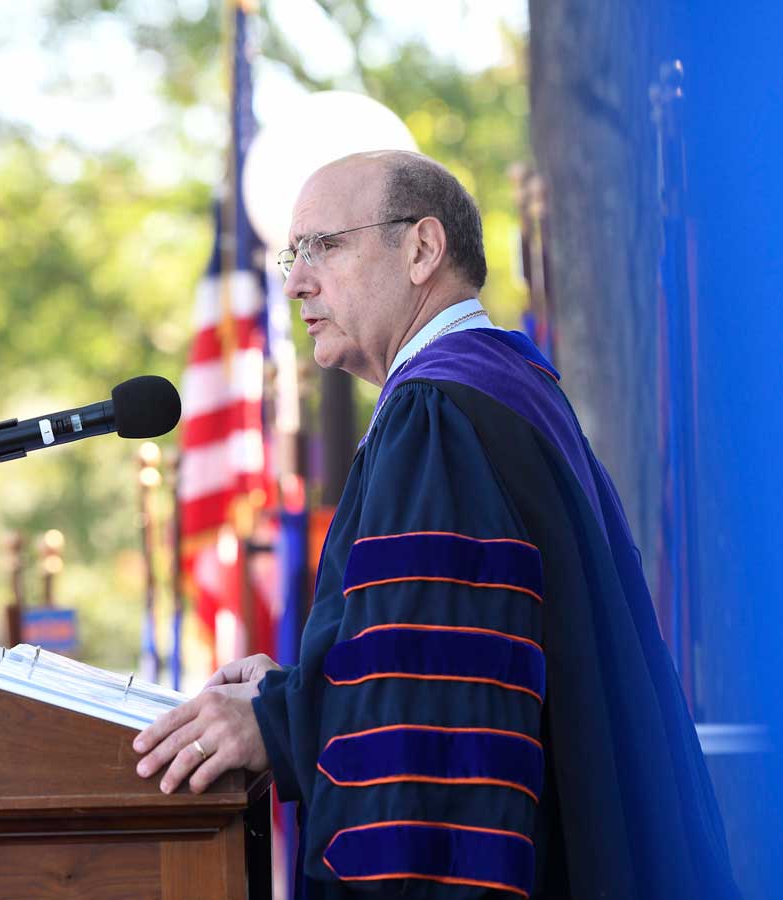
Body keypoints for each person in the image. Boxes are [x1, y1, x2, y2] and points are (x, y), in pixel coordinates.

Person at [134, 150, 739, 899]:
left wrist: (281, 723)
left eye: (325, 245)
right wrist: (297, 690)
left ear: (422, 249)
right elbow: (441, 651)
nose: (296, 281)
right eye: (294, 255)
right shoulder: (504, 389)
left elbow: (438, 729)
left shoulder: (439, 416)